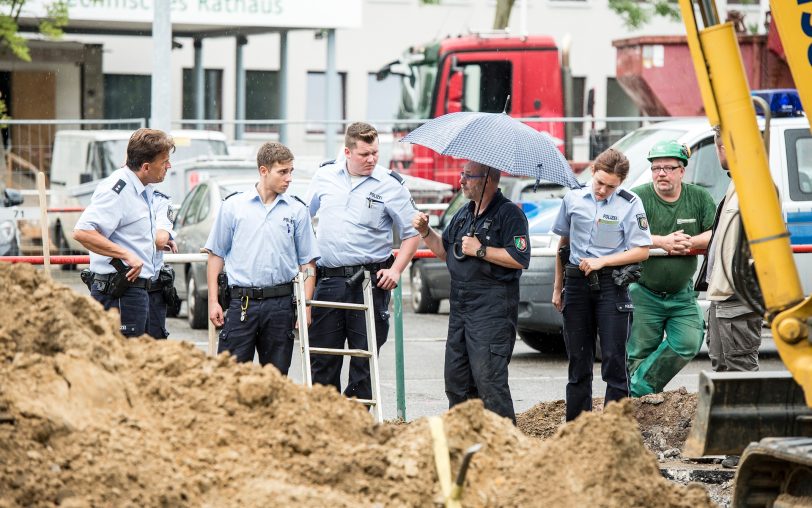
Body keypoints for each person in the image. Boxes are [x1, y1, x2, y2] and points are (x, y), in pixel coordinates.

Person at [305, 121, 419, 401]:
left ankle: (356, 422)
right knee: (323, 358)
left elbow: (412, 234)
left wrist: (396, 269)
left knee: (364, 360)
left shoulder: (390, 185)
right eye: (364, 154)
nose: (371, 159)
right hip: (329, 279)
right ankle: (326, 421)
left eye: (375, 153)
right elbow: (302, 218)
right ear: (347, 151)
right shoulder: (324, 176)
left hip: (369, 283)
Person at [413, 161, 529, 423]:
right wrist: (425, 232)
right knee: (456, 380)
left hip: (493, 310)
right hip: (461, 308)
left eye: (468, 176)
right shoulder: (464, 214)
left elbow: (520, 257)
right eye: (462, 175)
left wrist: (481, 250)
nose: (461, 180)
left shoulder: (509, 214)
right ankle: (465, 442)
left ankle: (504, 447)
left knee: (489, 382)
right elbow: (445, 251)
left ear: (487, 178)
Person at [551, 148, 651, 422]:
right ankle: (577, 430)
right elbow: (563, 245)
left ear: (621, 183)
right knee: (578, 364)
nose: (603, 190)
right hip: (576, 284)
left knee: (615, 361)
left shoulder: (630, 203)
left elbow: (642, 250)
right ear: (593, 172)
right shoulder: (572, 198)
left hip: (611, 285)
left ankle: (613, 430)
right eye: (600, 183)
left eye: (611, 186)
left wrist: (603, 262)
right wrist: (557, 286)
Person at [205, 142, 318, 373]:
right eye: (282, 172)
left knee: (275, 378)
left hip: (280, 304)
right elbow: (216, 255)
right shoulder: (233, 206)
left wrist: (305, 306)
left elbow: (308, 262)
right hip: (242, 302)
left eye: (291, 172)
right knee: (230, 377)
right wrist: (213, 301)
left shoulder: (297, 210)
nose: (289, 178)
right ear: (263, 171)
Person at [626, 140, 716, 397]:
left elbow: (715, 233)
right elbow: (626, 232)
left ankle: (641, 386)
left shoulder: (699, 197)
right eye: (656, 168)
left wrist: (690, 242)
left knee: (688, 341)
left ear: (682, 170)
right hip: (644, 290)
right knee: (639, 350)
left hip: (681, 293)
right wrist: (662, 242)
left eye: (667, 167)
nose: (661, 173)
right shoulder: (639, 197)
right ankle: (638, 403)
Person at [73, 128, 175, 338]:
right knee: (121, 362)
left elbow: (129, 231)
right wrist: (126, 254)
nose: (169, 166)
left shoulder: (142, 187)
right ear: (146, 167)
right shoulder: (118, 189)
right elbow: (83, 232)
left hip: (136, 292)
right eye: (164, 161)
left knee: (139, 360)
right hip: (118, 292)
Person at [696, 126, 763, 373]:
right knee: (723, 366)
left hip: (737, 297)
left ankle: (747, 413)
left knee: (741, 371)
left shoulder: (755, 186)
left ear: (724, 149)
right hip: (725, 296)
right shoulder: (738, 184)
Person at [145, 190, 179, 340]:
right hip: (121, 286)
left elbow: (161, 239)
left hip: (153, 286)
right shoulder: (114, 191)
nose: (168, 166)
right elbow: (159, 240)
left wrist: (166, 237)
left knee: (155, 346)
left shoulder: (159, 199)